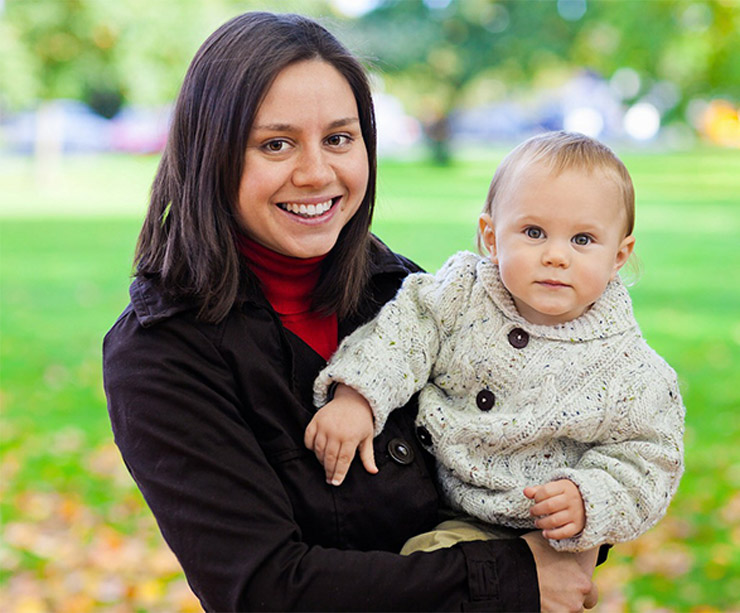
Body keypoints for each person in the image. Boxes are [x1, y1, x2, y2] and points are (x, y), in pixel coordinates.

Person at [103, 12, 600, 612]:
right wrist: (516, 577)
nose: (317, 173)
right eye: (276, 144)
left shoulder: (412, 296)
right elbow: (264, 590)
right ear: (211, 154)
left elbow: (547, 453)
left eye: (339, 138)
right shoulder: (161, 354)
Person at [308, 132, 685, 567]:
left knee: (429, 565)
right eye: (533, 232)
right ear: (491, 235)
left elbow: (650, 459)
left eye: (582, 240)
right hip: (433, 492)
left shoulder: (632, 372)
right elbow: (402, 335)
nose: (556, 256)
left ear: (619, 255)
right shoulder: (460, 295)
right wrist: (358, 396)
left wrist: (589, 498)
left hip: (537, 531)